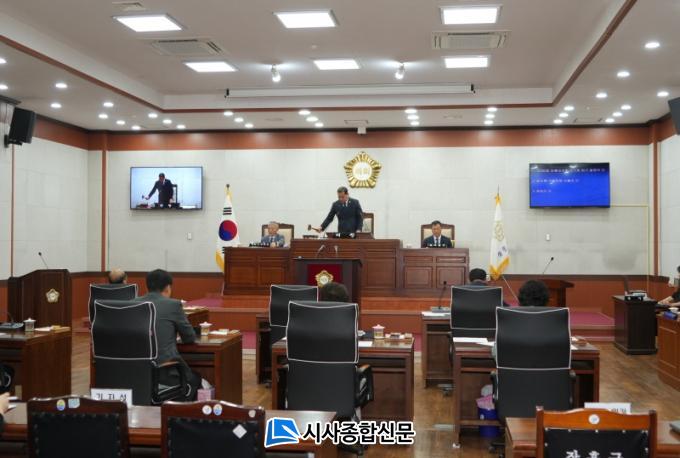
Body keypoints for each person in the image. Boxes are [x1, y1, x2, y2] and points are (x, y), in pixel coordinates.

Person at [136, 269, 200, 400]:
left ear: (147, 287)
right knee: (195, 380)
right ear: (168, 288)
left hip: (137, 372)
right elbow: (189, 338)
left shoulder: (132, 303)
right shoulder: (173, 305)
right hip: (166, 371)